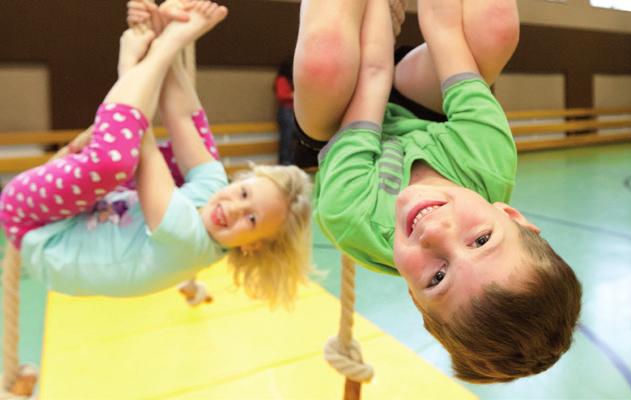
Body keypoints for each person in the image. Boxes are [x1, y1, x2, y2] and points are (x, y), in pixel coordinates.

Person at [294, 0, 581, 383]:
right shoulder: (488, 158)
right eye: (481, 240)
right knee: (496, 25)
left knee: (324, 61)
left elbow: (374, 75)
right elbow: (443, 28)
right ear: (511, 216)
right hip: (425, 104)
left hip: (346, 114)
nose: (436, 232)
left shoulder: (351, 216)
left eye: (437, 278)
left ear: (415, 298)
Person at [0, 0, 313, 308]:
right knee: (200, 147)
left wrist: (138, 59)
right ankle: (164, 36)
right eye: (243, 193)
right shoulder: (216, 195)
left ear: (252, 245)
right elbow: (181, 118)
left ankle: (161, 45)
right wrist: (165, 36)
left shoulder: (189, 243)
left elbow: (143, 147)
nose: (233, 209)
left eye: (252, 219)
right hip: (81, 210)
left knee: (116, 161)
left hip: (37, 225)